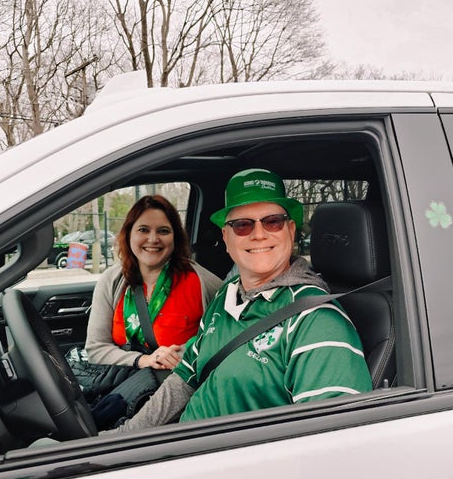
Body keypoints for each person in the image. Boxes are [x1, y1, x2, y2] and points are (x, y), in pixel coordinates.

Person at [114, 169, 372, 433]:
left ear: (290, 230)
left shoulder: (316, 321)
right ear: (226, 238)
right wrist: (123, 438)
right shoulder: (226, 296)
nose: (258, 234)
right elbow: (185, 379)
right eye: (242, 225)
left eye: (273, 221)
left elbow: (333, 443)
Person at [81, 194, 221, 423]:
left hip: (174, 394)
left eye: (163, 231)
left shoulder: (203, 282)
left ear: (175, 237)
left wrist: (180, 353)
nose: (153, 239)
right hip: (123, 386)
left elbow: (224, 336)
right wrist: (143, 360)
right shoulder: (112, 281)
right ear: (128, 234)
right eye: (143, 230)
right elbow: (95, 349)